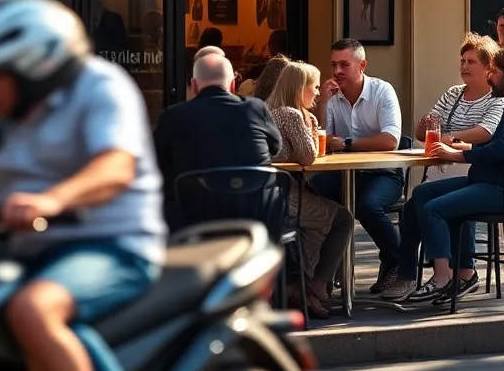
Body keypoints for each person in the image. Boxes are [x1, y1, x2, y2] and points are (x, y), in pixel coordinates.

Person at [0, 0, 168, 371]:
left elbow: (115, 166)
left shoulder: (101, 86)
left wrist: (52, 198)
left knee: (32, 310)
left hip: (112, 245)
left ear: (32, 67)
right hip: (20, 247)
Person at [408, 47, 504, 305]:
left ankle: (443, 278)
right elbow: (500, 145)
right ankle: (464, 274)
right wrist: (463, 148)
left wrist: (455, 155)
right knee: (423, 192)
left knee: (435, 209)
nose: (489, 78)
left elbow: (501, 148)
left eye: (493, 72)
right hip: (499, 181)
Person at [377, 35, 504, 302]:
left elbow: (485, 132)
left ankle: (457, 274)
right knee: (411, 207)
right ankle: (409, 276)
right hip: (441, 166)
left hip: (471, 167)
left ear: (488, 66)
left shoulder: (497, 99)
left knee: (436, 204)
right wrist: (425, 126)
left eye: (471, 61)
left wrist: (447, 140)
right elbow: (424, 134)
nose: (464, 66)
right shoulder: (452, 94)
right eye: (462, 60)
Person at [311, 39, 405, 294]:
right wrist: (321, 103)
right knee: (313, 192)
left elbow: (391, 140)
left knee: (368, 205)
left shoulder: (382, 91)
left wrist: (347, 144)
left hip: (382, 173)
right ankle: (322, 272)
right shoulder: (330, 96)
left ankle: (396, 263)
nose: (337, 71)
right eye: (333, 65)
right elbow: (321, 139)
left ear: (361, 65)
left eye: (344, 64)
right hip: (343, 174)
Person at [265, 62, 353, 320]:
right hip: (287, 198)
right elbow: (309, 156)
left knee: (323, 214)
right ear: (299, 88)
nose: (317, 92)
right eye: (314, 87)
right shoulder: (291, 115)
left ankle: (302, 285)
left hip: (270, 195)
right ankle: (313, 286)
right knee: (343, 218)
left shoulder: (269, 111)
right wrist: (311, 125)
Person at [154, 53, 282, 229]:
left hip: (192, 224)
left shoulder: (173, 117)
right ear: (232, 84)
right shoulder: (256, 108)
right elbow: (276, 147)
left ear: (194, 86)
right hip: (255, 217)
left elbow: (156, 163)